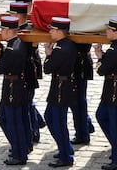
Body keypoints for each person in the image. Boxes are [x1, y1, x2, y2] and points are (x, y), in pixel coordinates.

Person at [94, 17, 117, 170]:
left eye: (109, 30)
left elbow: (101, 70)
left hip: (116, 91)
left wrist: (100, 59)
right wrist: (102, 56)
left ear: (115, 32)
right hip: (112, 89)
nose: (106, 32)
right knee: (101, 115)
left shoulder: (115, 50)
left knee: (115, 125)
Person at [0, 16, 29, 166]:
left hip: (13, 89)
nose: (1, 32)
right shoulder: (18, 43)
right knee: (6, 118)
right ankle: (20, 147)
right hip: (16, 87)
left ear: (8, 31)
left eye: (2, 29)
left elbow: (0, 68)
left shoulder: (12, 49)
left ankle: (19, 153)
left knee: (12, 121)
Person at [7, 1, 44, 145]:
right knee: (28, 104)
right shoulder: (20, 29)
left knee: (27, 105)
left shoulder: (29, 30)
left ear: (18, 15)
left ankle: (33, 132)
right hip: (25, 71)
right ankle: (34, 128)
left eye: (12, 14)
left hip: (27, 72)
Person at [43, 17, 77, 168]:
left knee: (58, 122)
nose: (50, 31)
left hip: (60, 89)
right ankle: (66, 147)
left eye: (52, 29)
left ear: (58, 31)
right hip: (62, 85)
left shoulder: (59, 50)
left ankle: (65, 156)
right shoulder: (69, 45)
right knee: (50, 116)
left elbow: (48, 68)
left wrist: (48, 54)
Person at [70, 43, 94, 145]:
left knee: (77, 101)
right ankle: (85, 127)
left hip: (79, 62)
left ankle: (82, 133)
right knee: (78, 100)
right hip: (79, 60)